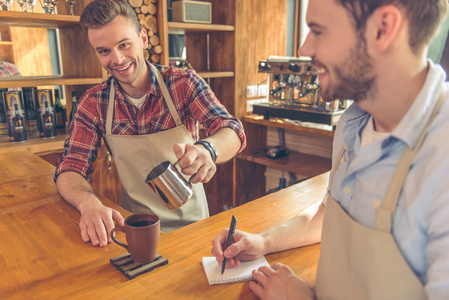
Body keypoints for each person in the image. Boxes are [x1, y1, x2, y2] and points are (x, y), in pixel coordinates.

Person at [212, 0, 449, 299]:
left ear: (383, 29)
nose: (304, 49)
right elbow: (329, 216)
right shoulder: (354, 123)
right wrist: (262, 242)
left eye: (318, 31)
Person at [55, 0, 246, 247]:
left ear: (143, 39)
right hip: (135, 228)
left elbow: (232, 130)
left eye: (124, 45)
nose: (118, 59)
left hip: (193, 226)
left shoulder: (182, 84)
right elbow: (70, 168)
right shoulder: (93, 103)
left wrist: (208, 149)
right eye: (104, 51)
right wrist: (88, 203)